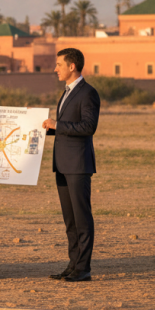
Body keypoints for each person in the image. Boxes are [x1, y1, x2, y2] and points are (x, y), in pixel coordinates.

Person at [42, 48, 100, 283]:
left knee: (82, 218)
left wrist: (57, 125)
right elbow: (65, 127)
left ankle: (83, 269)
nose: (55, 69)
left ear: (72, 66)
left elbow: (88, 127)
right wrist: (43, 130)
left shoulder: (88, 93)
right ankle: (73, 264)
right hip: (62, 165)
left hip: (78, 165)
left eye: (58, 64)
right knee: (70, 220)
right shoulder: (66, 92)